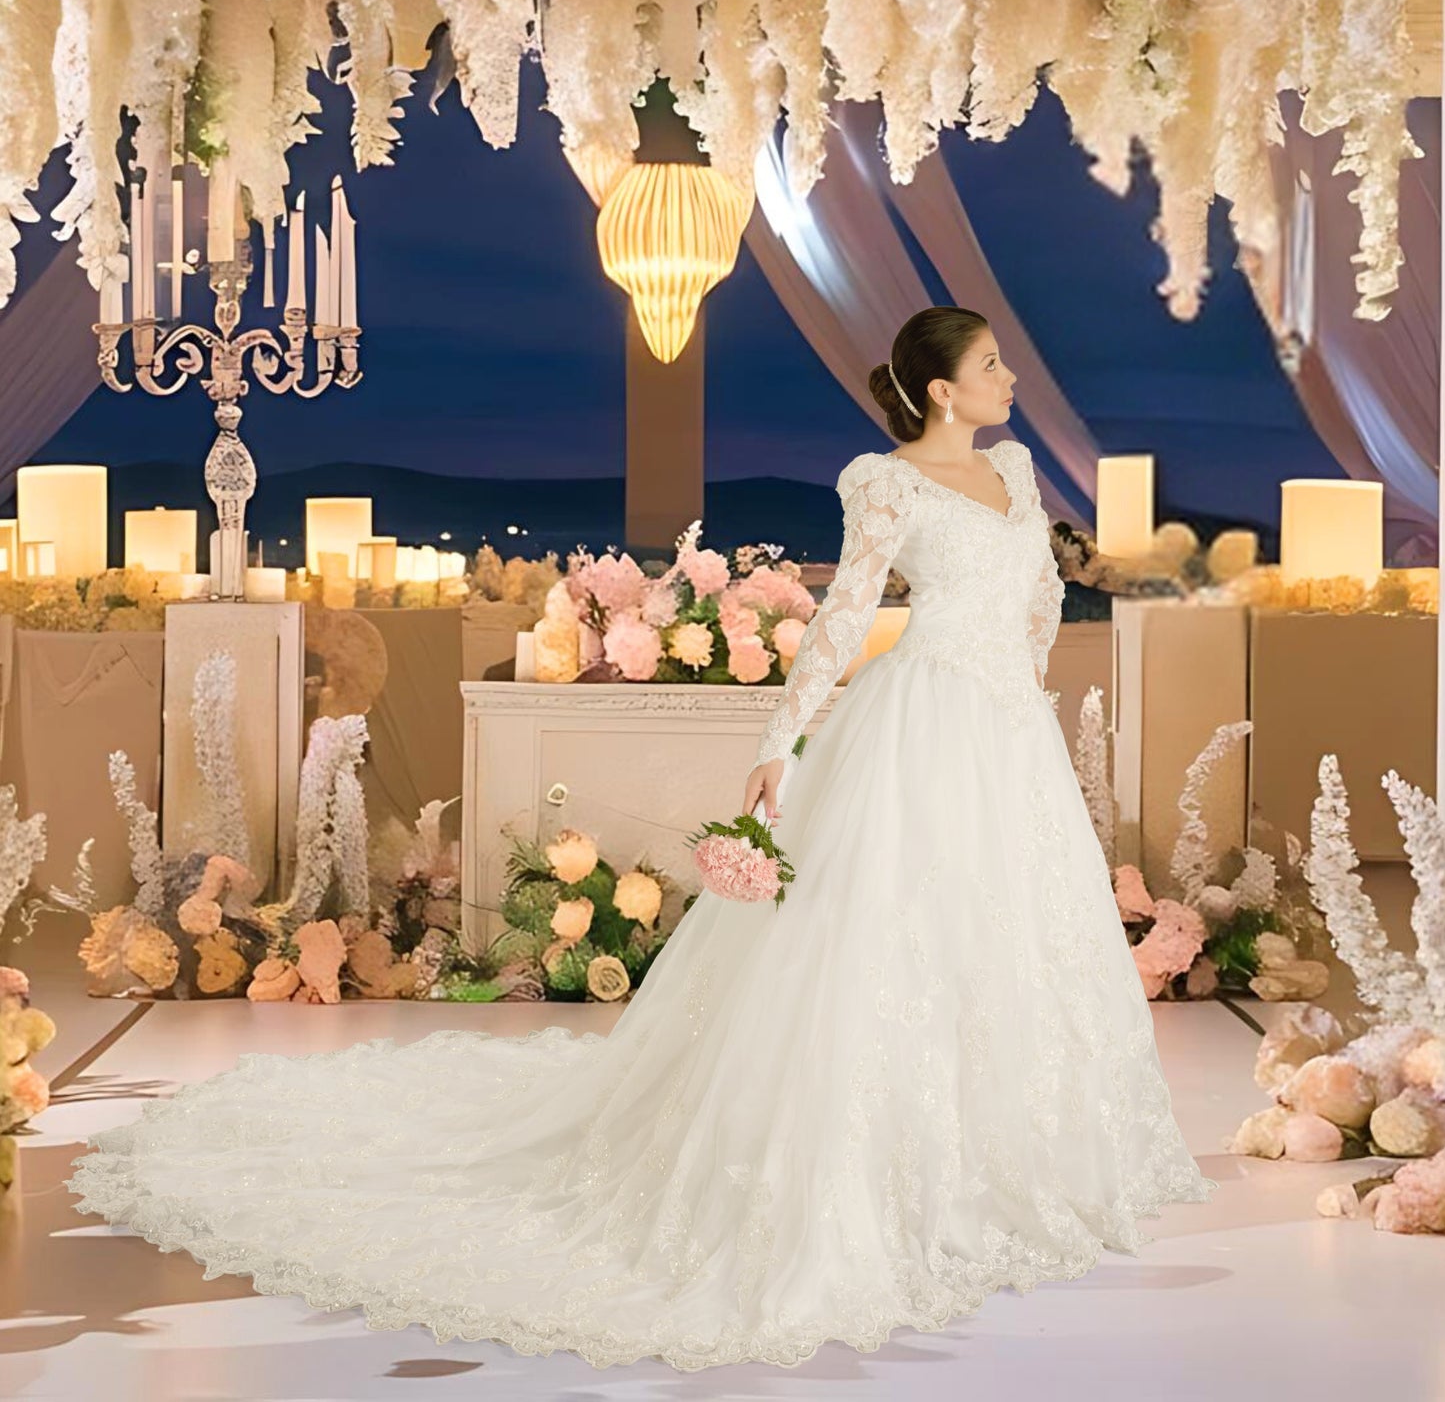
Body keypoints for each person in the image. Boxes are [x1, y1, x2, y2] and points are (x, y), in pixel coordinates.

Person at [67, 305, 1216, 1372]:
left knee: (1008, 934)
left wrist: (1023, 693)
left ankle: (1013, 1153)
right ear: (935, 389)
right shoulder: (886, 483)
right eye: (989, 367)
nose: (1009, 377)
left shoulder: (1013, 467)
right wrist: (780, 733)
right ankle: (870, 1171)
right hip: (916, 722)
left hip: (1003, 734)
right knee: (882, 937)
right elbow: (847, 616)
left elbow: (1036, 601)